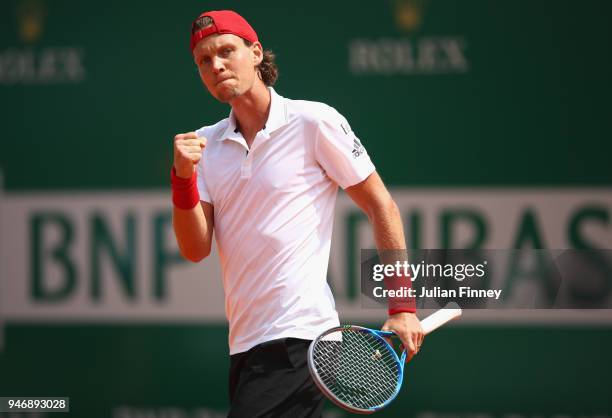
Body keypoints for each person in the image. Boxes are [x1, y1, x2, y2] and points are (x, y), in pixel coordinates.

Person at [171, 9, 424, 417]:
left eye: (226, 51)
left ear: (255, 53)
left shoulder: (314, 121)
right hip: (246, 346)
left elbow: (382, 207)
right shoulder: (205, 145)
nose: (215, 64)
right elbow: (195, 247)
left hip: (302, 340)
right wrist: (182, 178)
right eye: (203, 60)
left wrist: (402, 307)